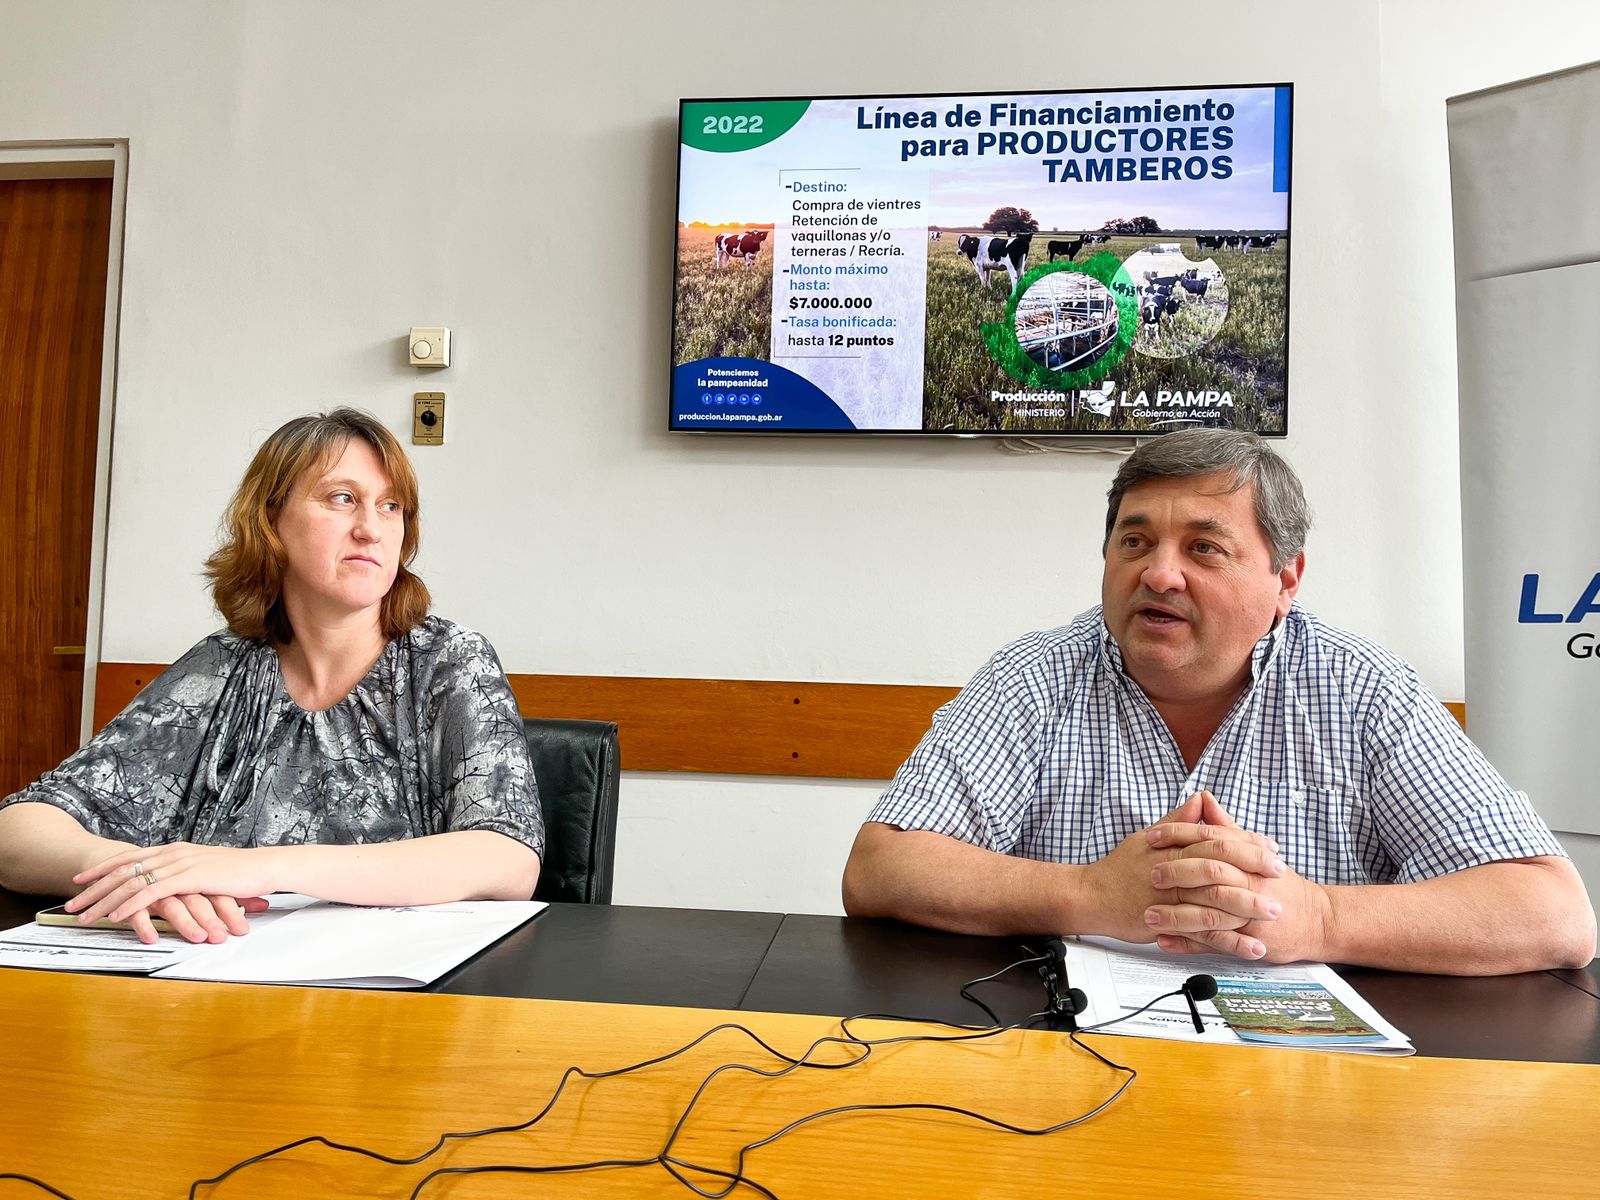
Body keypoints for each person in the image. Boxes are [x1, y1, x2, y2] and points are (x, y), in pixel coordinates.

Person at [842, 429, 1595, 975]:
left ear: (1286, 581)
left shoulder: (1365, 691)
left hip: (1310, 1100)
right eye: (1134, 543)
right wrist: (1090, 894)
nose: (1159, 575)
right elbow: (880, 868)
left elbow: (1554, 914)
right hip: (1066, 1069)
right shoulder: (1034, 677)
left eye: (1204, 548)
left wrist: (1319, 917)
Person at [0, 408, 543, 943]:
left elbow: (507, 858)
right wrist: (144, 874)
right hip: (212, 986)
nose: (371, 529)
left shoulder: (447, 660)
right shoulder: (224, 666)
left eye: (391, 506)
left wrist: (262, 867)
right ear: (271, 518)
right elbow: (16, 831)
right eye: (342, 498)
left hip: (390, 999)